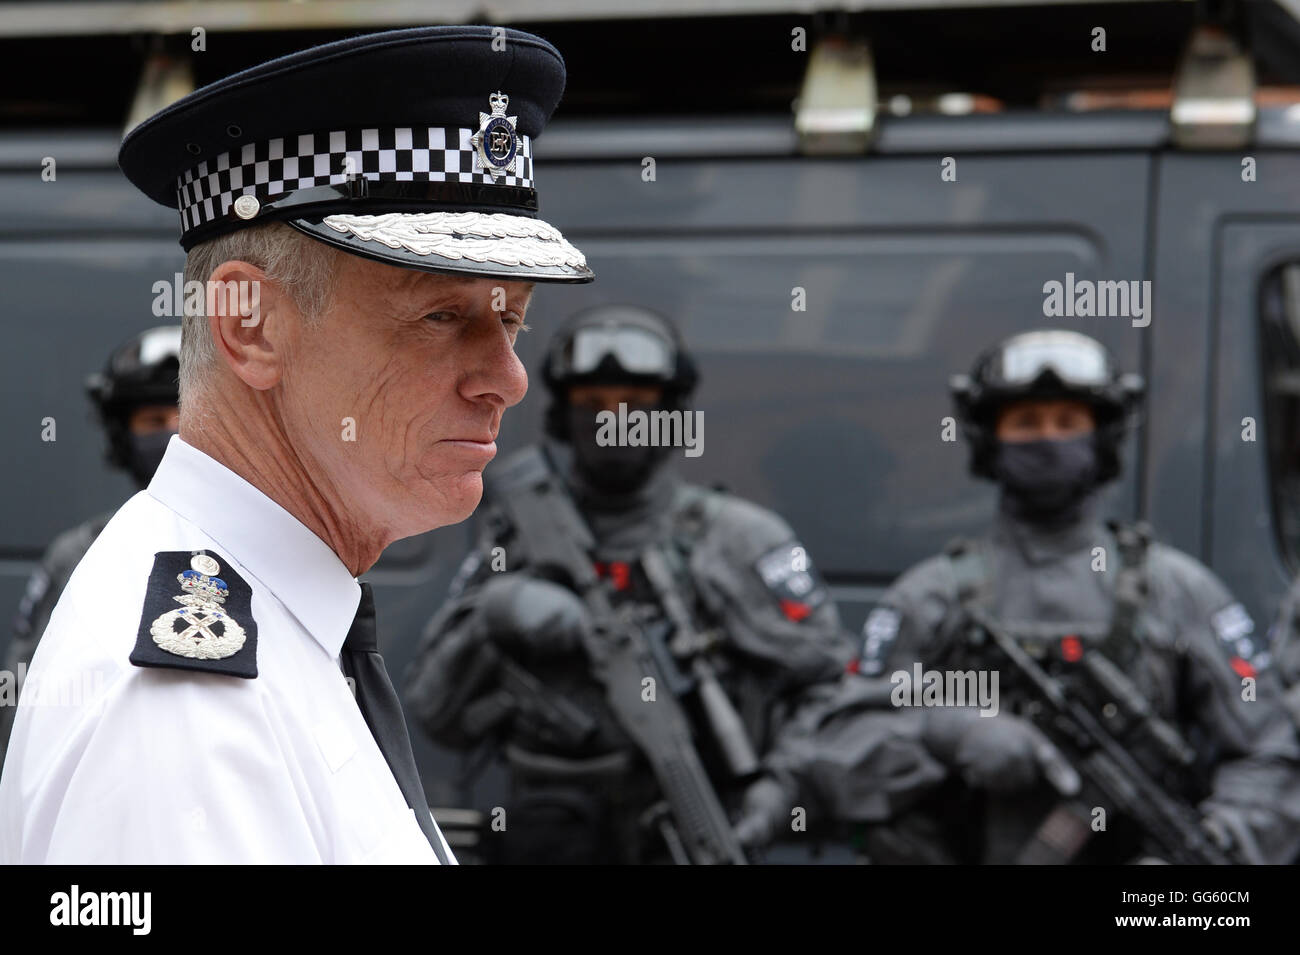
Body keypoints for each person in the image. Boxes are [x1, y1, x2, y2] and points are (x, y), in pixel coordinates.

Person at [0, 25, 592, 864]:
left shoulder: (276, 631)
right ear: (249, 324)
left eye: (511, 321)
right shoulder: (189, 709)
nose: (507, 378)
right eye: (441, 316)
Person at [740, 329, 1300, 864]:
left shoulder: (1180, 594)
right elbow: (834, 747)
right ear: (989, 438)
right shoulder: (932, 597)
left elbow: (1267, 756)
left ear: (1103, 436)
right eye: (1026, 422)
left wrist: (1204, 852)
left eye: (1068, 421)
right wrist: (946, 733)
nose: (1048, 439)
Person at [404, 305, 853, 863]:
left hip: (694, 830)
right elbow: (433, 710)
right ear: (562, 417)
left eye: (635, 404)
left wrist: (780, 791)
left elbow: (833, 692)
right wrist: (496, 611)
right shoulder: (517, 531)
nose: (613, 420)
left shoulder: (737, 540)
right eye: (591, 404)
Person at [0, 326, 181, 765]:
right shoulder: (80, 554)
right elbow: (22, 700)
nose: (173, 435)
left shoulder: (269, 550)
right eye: (154, 422)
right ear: (123, 436)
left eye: (186, 417)